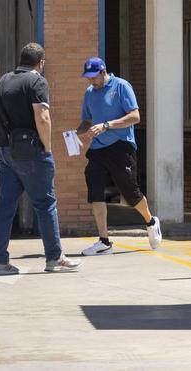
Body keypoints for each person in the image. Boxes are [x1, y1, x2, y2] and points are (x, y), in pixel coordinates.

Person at [0, 43, 80, 275]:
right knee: (46, 203)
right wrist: (46, 148)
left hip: (5, 151)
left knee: (6, 206)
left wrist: (2, 140)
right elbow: (42, 116)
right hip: (32, 153)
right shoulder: (36, 81)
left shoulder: (3, 81)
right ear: (41, 63)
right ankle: (54, 258)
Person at [74, 57, 160, 255]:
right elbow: (87, 120)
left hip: (121, 146)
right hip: (97, 149)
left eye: (93, 77)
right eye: (88, 78)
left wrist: (107, 125)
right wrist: (76, 133)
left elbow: (135, 116)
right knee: (95, 191)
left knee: (130, 192)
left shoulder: (121, 86)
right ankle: (104, 241)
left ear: (103, 72)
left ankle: (150, 221)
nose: (90, 82)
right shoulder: (89, 93)